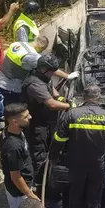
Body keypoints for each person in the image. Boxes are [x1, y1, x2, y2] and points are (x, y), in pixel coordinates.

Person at [50, 85, 105, 208]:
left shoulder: (72, 114)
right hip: (97, 165)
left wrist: (53, 156)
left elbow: (58, 139)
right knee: (94, 194)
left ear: (84, 97)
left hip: (76, 164)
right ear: (99, 97)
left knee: (75, 191)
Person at [20, 54, 72, 193]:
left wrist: (60, 97)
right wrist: (69, 106)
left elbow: (51, 90)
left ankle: (50, 178)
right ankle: (40, 186)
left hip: (46, 123)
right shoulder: (34, 84)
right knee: (39, 155)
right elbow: (51, 104)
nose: (54, 73)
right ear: (42, 69)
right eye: (52, 71)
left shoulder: (45, 77)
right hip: (36, 126)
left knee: (51, 150)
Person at [0, 103, 38, 208]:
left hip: (23, 186)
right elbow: (15, 176)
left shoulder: (10, 130)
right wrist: (30, 195)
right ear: (15, 122)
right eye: (25, 116)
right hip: (19, 193)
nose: (30, 117)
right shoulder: (13, 147)